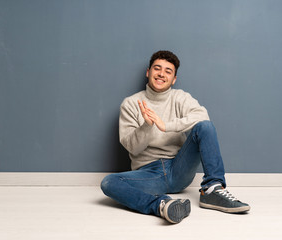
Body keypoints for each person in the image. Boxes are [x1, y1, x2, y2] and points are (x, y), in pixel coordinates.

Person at [101, 50, 250, 224]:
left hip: (179, 167)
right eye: (157, 68)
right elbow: (132, 147)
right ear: (148, 72)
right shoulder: (131, 104)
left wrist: (166, 126)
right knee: (108, 183)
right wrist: (147, 126)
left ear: (174, 79)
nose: (161, 74)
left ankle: (212, 190)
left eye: (168, 71)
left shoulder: (180, 98)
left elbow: (203, 116)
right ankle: (162, 205)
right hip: (149, 174)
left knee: (205, 126)